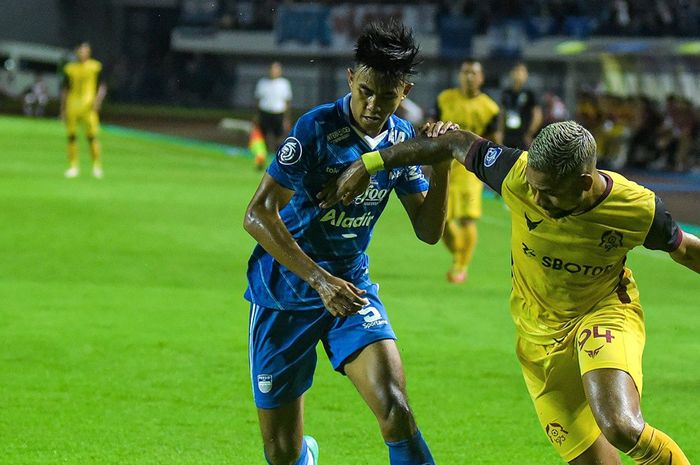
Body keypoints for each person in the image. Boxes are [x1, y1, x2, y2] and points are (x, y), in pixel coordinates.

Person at [320, 120, 699, 465]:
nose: (534, 199)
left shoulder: (637, 208)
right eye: (532, 188)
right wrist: (369, 165)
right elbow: (454, 143)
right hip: (537, 339)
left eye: (547, 193)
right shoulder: (514, 173)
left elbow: (684, 248)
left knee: (620, 425)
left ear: (584, 183)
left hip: (601, 313)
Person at [243, 21, 449, 465]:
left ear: (406, 91)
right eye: (367, 91)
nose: (375, 106)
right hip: (286, 292)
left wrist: (442, 163)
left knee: (396, 408)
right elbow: (257, 214)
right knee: (282, 453)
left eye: (388, 96)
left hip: (352, 291)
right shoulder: (316, 128)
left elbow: (429, 232)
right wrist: (319, 280)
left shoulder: (399, 140)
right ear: (351, 79)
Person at [434, 59, 500, 283]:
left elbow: (495, 141)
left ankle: (460, 266)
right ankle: (458, 254)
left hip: (471, 169)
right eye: (465, 72)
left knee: (467, 220)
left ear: (481, 78)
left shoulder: (490, 108)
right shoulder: (445, 99)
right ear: (459, 76)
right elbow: (432, 128)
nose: (469, 77)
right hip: (445, 167)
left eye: (473, 73)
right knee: (442, 222)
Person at [61, 42, 107, 179]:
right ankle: (73, 167)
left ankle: (96, 166)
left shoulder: (95, 67)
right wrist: (62, 108)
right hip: (73, 105)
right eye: (80, 50)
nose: (82, 53)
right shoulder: (70, 68)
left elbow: (102, 86)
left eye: (85, 50)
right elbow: (65, 89)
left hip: (88, 106)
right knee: (72, 137)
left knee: (92, 137)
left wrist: (98, 101)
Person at [254, 61, 293, 165]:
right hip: (265, 112)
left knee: (279, 137)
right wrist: (257, 115)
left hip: (278, 113)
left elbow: (287, 101)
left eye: (276, 69)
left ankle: (277, 160)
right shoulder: (262, 83)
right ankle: (263, 158)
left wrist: (286, 118)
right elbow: (258, 100)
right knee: (264, 137)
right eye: (272, 69)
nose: (274, 72)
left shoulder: (284, 83)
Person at [500, 62, 542, 150]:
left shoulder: (530, 93)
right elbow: (502, 113)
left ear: (526, 75)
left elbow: (537, 115)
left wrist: (530, 133)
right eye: (516, 71)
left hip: (523, 135)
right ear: (511, 73)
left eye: (522, 71)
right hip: (508, 135)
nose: (518, 74)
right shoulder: (506, 93)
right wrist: (500, 132)